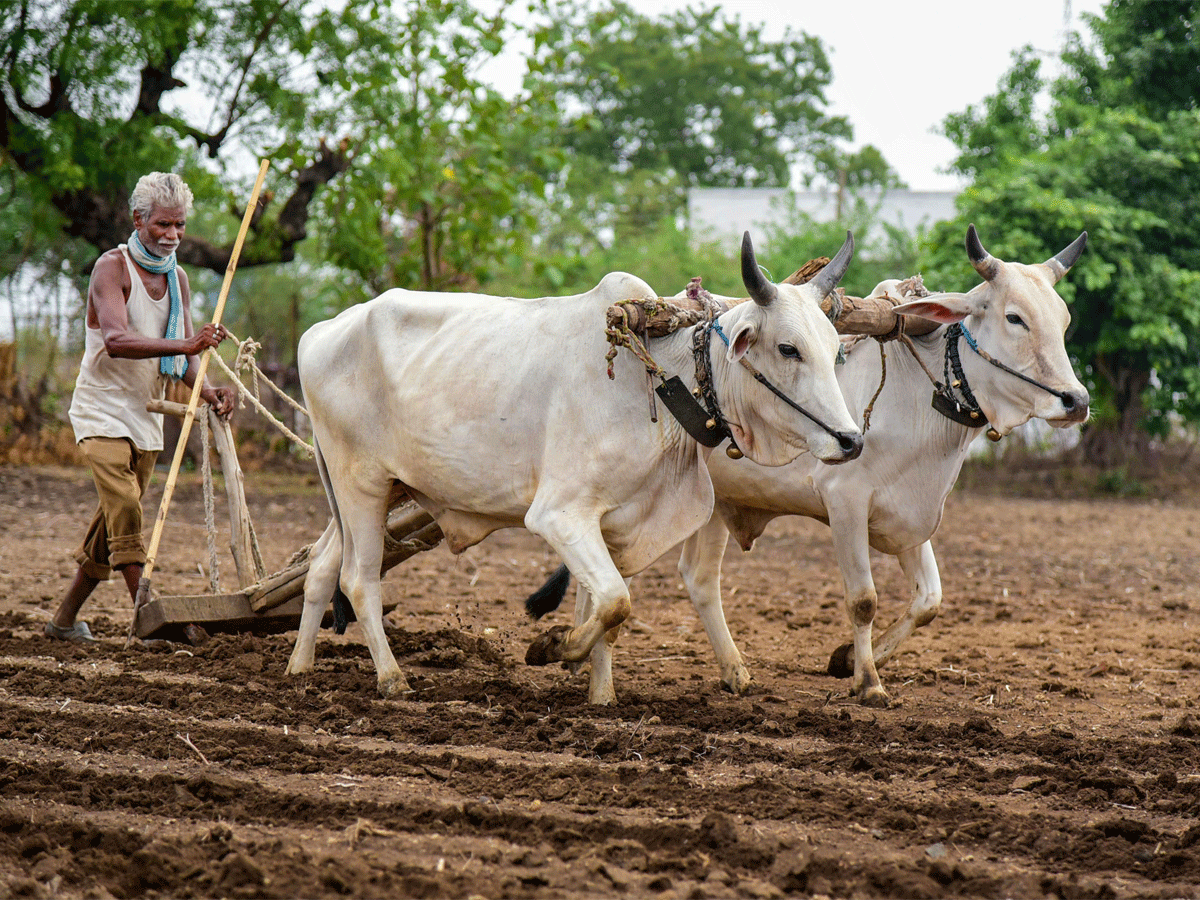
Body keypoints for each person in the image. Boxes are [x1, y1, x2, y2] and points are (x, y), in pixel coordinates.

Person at [46, 172, 236, 643]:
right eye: (163, 225)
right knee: (126, 506)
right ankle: (151, 615)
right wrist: (186, 341)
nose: (172, 236)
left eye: (180, 226)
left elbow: (183, 358)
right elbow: (115, 339)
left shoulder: (179, 279)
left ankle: (63, 622)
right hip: (100, 411)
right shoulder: (111, 268)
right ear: (139, 219)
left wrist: (207, 390)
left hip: (146, 416)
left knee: (112, 523)